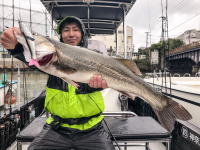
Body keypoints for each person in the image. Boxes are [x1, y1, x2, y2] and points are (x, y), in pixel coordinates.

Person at [1, 16, 115, 150]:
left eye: (76, 30)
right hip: (57, 128)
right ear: (61, 36)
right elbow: (30, 58)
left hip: (93, 128)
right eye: (66, 30)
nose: (71, 34)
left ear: (82, 35)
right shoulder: (48, 60)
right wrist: (14, 48)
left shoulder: (93, 55)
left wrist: (94, 87)